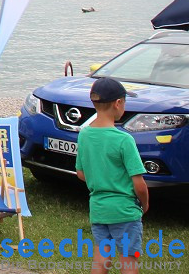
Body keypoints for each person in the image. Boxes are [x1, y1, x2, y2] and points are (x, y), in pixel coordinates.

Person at [76, 77, 147, 272]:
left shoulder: (84, 135)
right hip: (125, 210)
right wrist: (145, 204)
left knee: (101, 259)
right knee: (129, 260)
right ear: (118, 103)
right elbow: (139, 183)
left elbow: (81, 173)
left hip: (98, 209)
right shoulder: (124, 140)